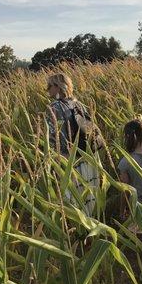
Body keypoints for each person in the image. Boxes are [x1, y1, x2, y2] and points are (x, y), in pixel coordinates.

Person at [46, 73, 102, 216]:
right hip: (88, 157)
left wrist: (58, 159)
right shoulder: (79, 104)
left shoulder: (54, 107)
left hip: (69, 159)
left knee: (73, 200)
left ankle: (79, 233)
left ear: (58, 87)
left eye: (49, 86)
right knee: (90, 196)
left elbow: (54, 137)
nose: (47, 90)